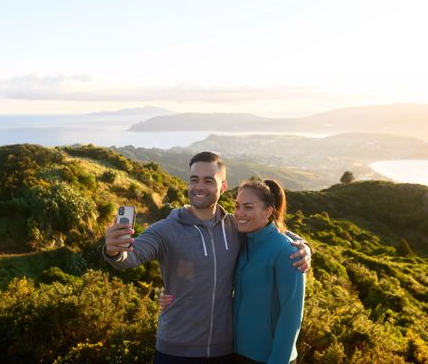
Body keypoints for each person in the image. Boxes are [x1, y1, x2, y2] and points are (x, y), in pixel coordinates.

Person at [103, 152, 311, 363]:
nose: (199, 186)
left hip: (225, 352)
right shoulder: (166, 230)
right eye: (194, 180)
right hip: (175, 351)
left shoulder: (234, 227)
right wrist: (115, 250)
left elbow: (270, 234)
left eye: (208, 180)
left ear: (222, 187)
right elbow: (131, 257)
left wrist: (304, 247)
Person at [233, 179, 305, 364]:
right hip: (237, 352)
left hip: (270, 357)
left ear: (268, 211)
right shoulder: (241, 243)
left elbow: (292, 315)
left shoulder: (288, 252)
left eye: (248, 207)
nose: (240, 213)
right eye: (237, 206)